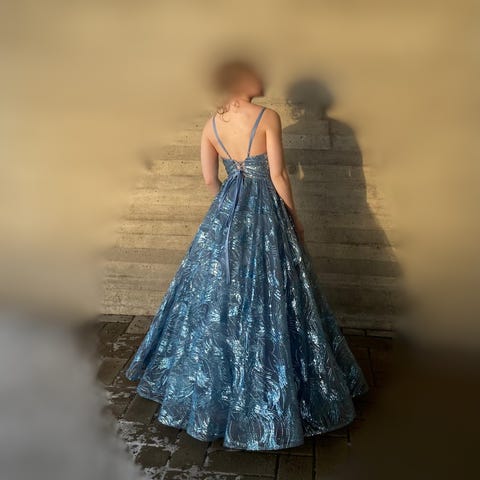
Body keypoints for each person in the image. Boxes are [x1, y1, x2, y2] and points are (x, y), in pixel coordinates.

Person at [125, 58, 369, 451]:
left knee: (222, 294)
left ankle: (218, 387)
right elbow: (279, 175)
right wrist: (294, 219)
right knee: (273, 292)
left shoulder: (211, 125)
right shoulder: (267, 117)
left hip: (227, 213)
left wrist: (230, 203)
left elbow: (210, 178)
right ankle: (275, 391)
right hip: (267, 213)